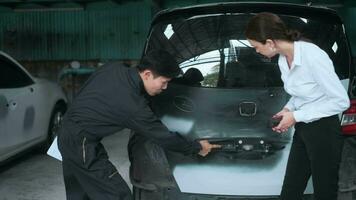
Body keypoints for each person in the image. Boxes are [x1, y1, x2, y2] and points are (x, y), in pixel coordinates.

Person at [57, 49, 220, 200]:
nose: (165, 87)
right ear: (148, 74)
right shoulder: (133, 107)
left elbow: (87, 91)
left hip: (67, 132)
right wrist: (197, 148)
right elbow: (164, 138)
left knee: (79, 194)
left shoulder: (114, 68)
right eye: (164, 82)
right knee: (118, 195)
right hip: (81, 144)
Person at [245, 12, 350, 200]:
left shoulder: (313, 56)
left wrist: (296, 116)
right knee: (291, 188)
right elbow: (299, 94)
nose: (256, 51)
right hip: (304, 128)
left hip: (324, 129)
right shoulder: (282, 60)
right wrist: (288, 109)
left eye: (256, 46)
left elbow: (341, 101)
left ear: (270, 42)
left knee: (324, 190)